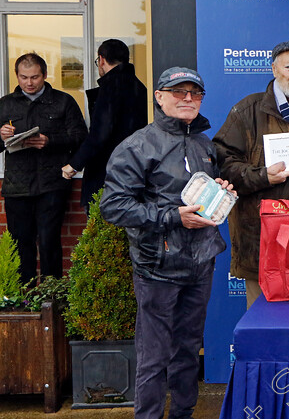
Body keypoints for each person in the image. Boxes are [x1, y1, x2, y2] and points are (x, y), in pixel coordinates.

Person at [100, 67, 233, 419]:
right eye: (179, 91)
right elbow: (113, 207)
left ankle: (183, 414)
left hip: (201, 262)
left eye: (195, 92)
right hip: (156, 266)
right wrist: (174, 217)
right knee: (154, 356)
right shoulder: (137, 145)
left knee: (188, 351)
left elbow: (201, 198)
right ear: (159, 97)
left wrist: (221, 195)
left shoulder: (206, 145)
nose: (188, 98)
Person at [213, 40, 289, 308]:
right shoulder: (247, 111)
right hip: (260, 242)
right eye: (288, 66)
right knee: (263, 329)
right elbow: (222, 165)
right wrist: (263, 176)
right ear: (273, 69)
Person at [0, 53, 87, 285]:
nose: (29, 83)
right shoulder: (5, 104)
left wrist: (50, 141)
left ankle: (51, 298)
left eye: (35, 77)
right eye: (24, 77)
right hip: (17, 186)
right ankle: (24, 299)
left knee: (49, 242)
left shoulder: (63, 101)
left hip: (52, 184)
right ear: (16, 76)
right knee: (20, 244)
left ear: (45, 75)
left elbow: (80, 137)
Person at [62, 38, 148, 211]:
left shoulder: (110, 87)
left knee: (101, 229)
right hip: (135, 171)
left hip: (106, 173)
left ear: (101, 59)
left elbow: (99, 133)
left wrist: (74, 164)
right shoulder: (140, 87)